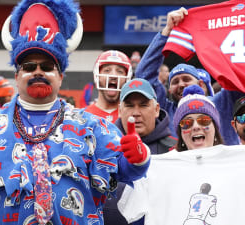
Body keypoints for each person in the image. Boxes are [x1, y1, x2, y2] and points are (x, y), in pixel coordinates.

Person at [0, 0, 150, 224]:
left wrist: (138, 158)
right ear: (17, 76)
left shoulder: (92, 126)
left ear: (60, 76)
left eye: (47, 66)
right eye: (29, 67)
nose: (38, 72)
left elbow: (126, 172)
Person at [117, 86, 245, 225]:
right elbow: (133, 216)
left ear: (215, 127)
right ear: (180, 132)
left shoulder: (239, 160)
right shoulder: (155, 168)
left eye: (204, 121)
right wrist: (137, 165)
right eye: (186, 123)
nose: (196, 126)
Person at [134, 7, 244, 145]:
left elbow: (240, 77)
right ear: (169, 90)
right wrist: (166, 32)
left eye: (186, 79)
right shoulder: (164, 111)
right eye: (175, 81)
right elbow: (143, 77)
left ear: (200, 85)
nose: (181, 84)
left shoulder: (221, 103)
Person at [103, 78, 176, 225]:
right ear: (120, 110)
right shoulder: (103, 147)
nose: (136, 113)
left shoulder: (175, 149)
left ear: (156, 109)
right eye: (129, 106)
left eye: (143, 105)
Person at [84, 50, 133, 123]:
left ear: (127, 78)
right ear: (98, 76)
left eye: (119, 71)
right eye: (107, 70)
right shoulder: (84, 115)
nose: (113, 75)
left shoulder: (133, 115)